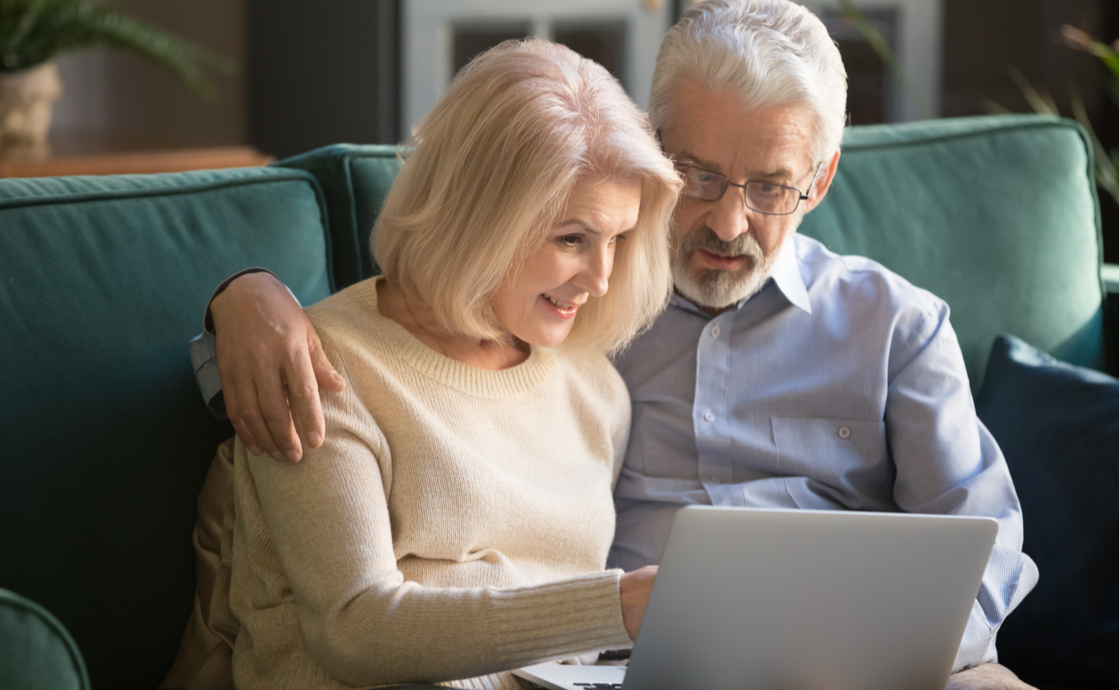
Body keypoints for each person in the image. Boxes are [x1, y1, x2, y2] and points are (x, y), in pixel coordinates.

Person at [193, 2, 1039, 688]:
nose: (727, 220)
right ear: (652, 146)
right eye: (698, 175)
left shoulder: (891, 326)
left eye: (771, 187)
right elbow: (385, 352)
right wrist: (242, 300)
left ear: (818, 179)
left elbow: (986, 545)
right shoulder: (573, 323)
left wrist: (871, 657)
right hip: (620, 662)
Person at [167, 39, 683, 690]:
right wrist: (615, 609)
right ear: (480, 218)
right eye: (572, 239)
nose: (602, 278)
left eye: (618, 239)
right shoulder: (319, 368)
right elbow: (355, 628)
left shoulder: (596, 390)